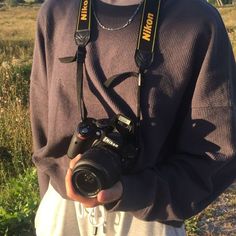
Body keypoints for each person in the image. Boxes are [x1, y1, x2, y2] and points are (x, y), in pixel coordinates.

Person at [30, 0, 236, 235]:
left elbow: (216, 151)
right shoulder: (56, 11)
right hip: (63, 206)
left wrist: (135, 192)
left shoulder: (197, 20)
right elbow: (42, 127)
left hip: (147, 218)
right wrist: (48, 199)